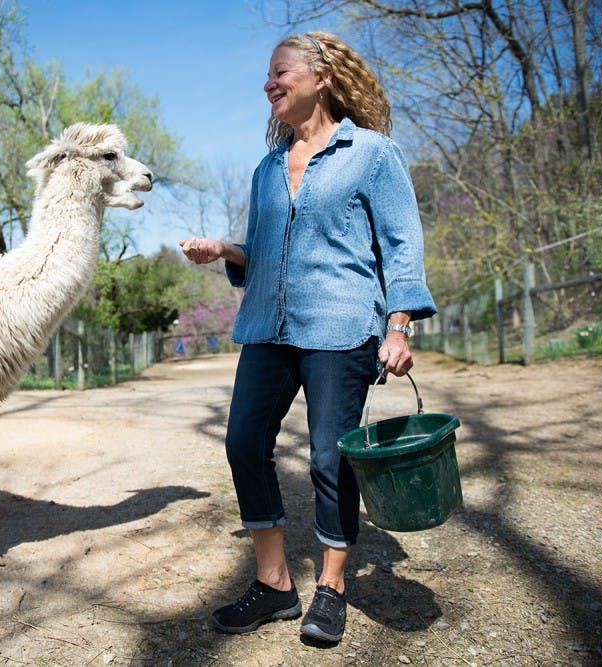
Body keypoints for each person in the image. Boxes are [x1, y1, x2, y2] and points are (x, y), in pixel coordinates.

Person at [179, 31, 436, 644]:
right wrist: (226, 250)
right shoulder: (267, 169)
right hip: (268, 327)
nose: (269, 84)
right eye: (266, 76)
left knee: (329, 457)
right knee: (242, 445)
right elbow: (264, 251)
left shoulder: (372, 154)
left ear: (320, 77)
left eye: (280, 72)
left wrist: (397, 324)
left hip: (341, 328)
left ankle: (332, 587)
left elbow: (402, 245)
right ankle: (274, 585)